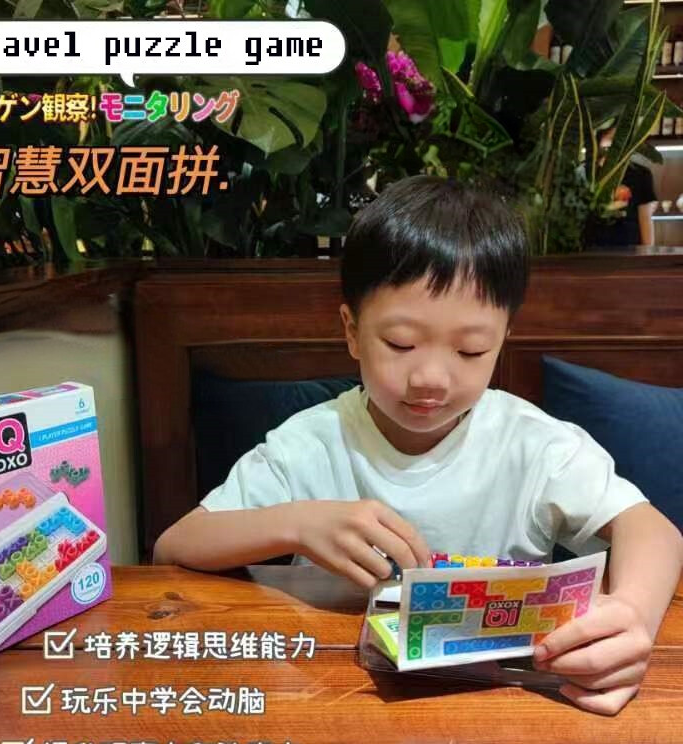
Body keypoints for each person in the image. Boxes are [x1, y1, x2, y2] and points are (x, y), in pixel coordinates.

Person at [154, 175, 683, 716]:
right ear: (352, 331)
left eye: (471, 351)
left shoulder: (534, 444)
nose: (430, 377)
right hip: (338, 701)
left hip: (505, 707)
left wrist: (631, 616)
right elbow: (175, 546)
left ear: (502, 341)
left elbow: (653, 530)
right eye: (400, 343)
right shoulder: (311, 444)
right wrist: (297, 523)